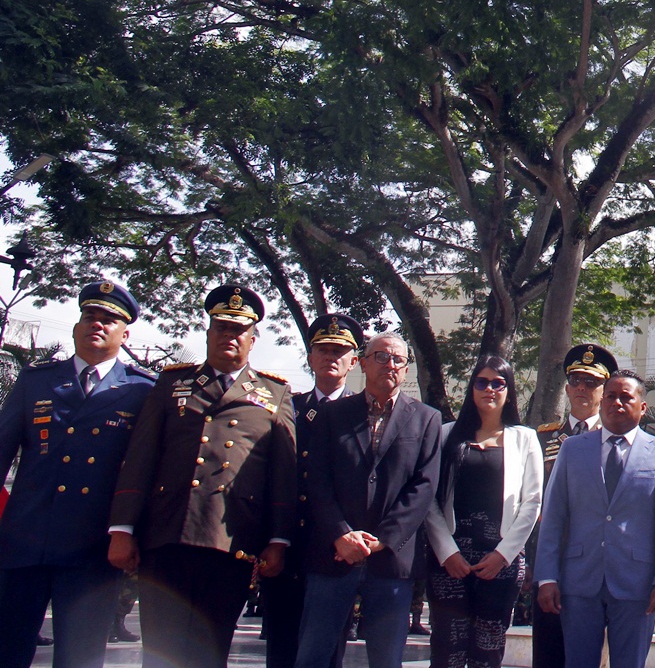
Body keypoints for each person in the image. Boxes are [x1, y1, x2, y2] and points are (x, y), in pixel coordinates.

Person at [106, 283, 297, 668]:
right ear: (209, 333)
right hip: (168, 533)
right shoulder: (172, 383)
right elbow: (140, 458)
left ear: (252, 338)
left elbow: (283, 476)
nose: (229, 336)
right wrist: (122, 528)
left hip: (231, 541)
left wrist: (278, 539)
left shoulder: (274, 394)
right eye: (221, 328)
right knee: (160, 650)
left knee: (211, 650)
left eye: (238, 330)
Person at [0, 281, 158, 668]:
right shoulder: (37, 380)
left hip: (92, 547)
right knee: (7, 649)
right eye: (90, 316)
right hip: (25, 539)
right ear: (76, 326)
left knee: (79, 657)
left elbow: (146, 472)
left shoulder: (143, 390)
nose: (97, 325)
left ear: (126, 333)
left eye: (109, 319)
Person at [295, 331, 442, 668]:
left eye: (398, 360)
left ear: (406, 370)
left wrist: (383, 540)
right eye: (381, 357)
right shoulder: (333, 415)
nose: (389, 365)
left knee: (385, 660)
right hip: (333, 554)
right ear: (362, 363)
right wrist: (340, 534)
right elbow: (317, 479)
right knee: (313, 655)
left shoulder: (427, 418)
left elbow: (423, 487)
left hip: (390, 561)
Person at [534, 370, 655, 668]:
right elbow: (554, 516)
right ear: (601, 403)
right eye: (611, 396)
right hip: (579, 581)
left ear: (642, 407)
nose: (617, 402)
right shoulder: (572, 450)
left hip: (636, 584)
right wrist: (547, 576)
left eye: (626, 397)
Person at [425, 355, 543, 668]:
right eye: (481, 382)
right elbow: (430, 500)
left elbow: (532, 502)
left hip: (500, 562)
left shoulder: (525, 438)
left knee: (487, 651)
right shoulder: (446, 434)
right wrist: (447, 553)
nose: (489, 389)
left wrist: (503, 555)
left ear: (509, 390)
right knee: (447, 649)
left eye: (498, 383)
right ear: (471, 388)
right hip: (450, 561)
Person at [261, 311, 365, 668]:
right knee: (281, 645)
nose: (330, 357)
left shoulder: (364, 415)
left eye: (339, 351)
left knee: (325, 652)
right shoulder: (287, 407)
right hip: (287, 545)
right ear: (309, 356)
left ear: (354, 361)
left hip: (334, 551)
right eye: (322, 349)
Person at [524, 342, 617, 662]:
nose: (582, 388)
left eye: (591, 382)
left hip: (596, 563)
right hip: (552, 559)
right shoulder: (543, 438)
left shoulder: (617, 442)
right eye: (576, 380)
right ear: (566, 387)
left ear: (605, 389)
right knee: (549, 652)